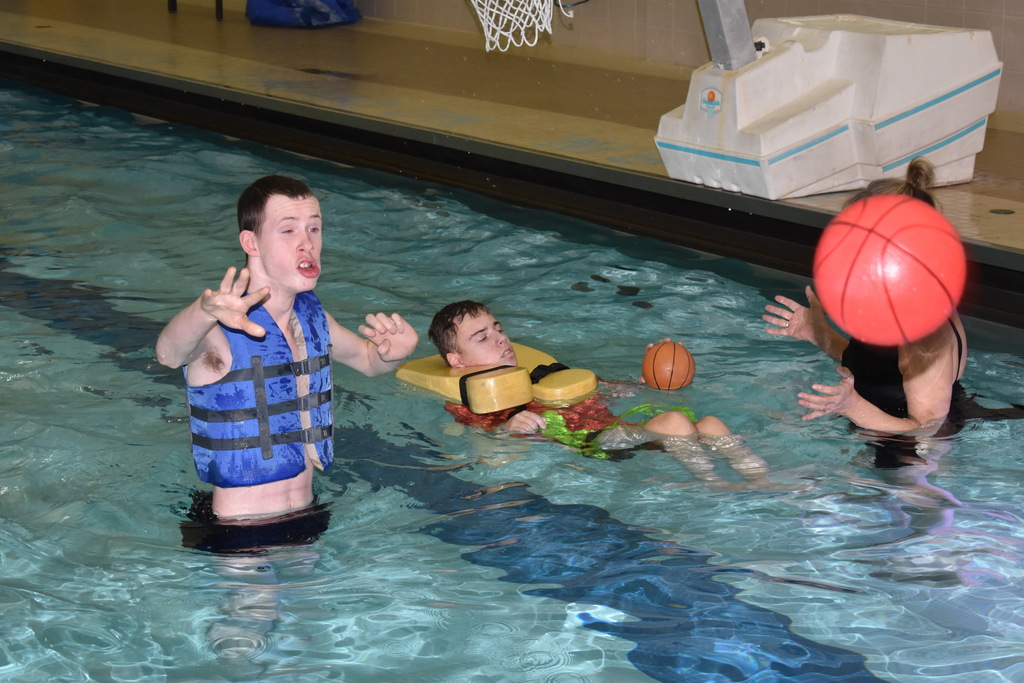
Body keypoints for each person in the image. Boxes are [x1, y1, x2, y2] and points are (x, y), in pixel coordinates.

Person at [156, 175, 419, 523]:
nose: (306, 243)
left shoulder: (312, 317)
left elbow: (369, 360)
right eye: (288, 230)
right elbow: (168, 354)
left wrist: (394, 353)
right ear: (252, 242)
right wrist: (202, 311)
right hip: (239, 530)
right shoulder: (220, 325)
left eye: (314, 229)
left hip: (308, 511)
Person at [427, 301, 778, 490]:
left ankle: (761, 480)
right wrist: (508, 426)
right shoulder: (469, 398)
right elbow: (482, 438)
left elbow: (607, 391)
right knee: (674, 422)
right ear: (457, 361)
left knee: (711, 423)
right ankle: (715, 486)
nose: (500, 338)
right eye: (482, 337)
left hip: (621, 433)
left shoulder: (545, 372)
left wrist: (647, 382)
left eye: (498, 329)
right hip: (591, 443)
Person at [763, 158, 967, 437]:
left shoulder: (924, 331)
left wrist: (852, 406)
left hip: (911, 458)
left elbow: (929, 432)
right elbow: (881, 369)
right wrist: (820, 335)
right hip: (875, 427)